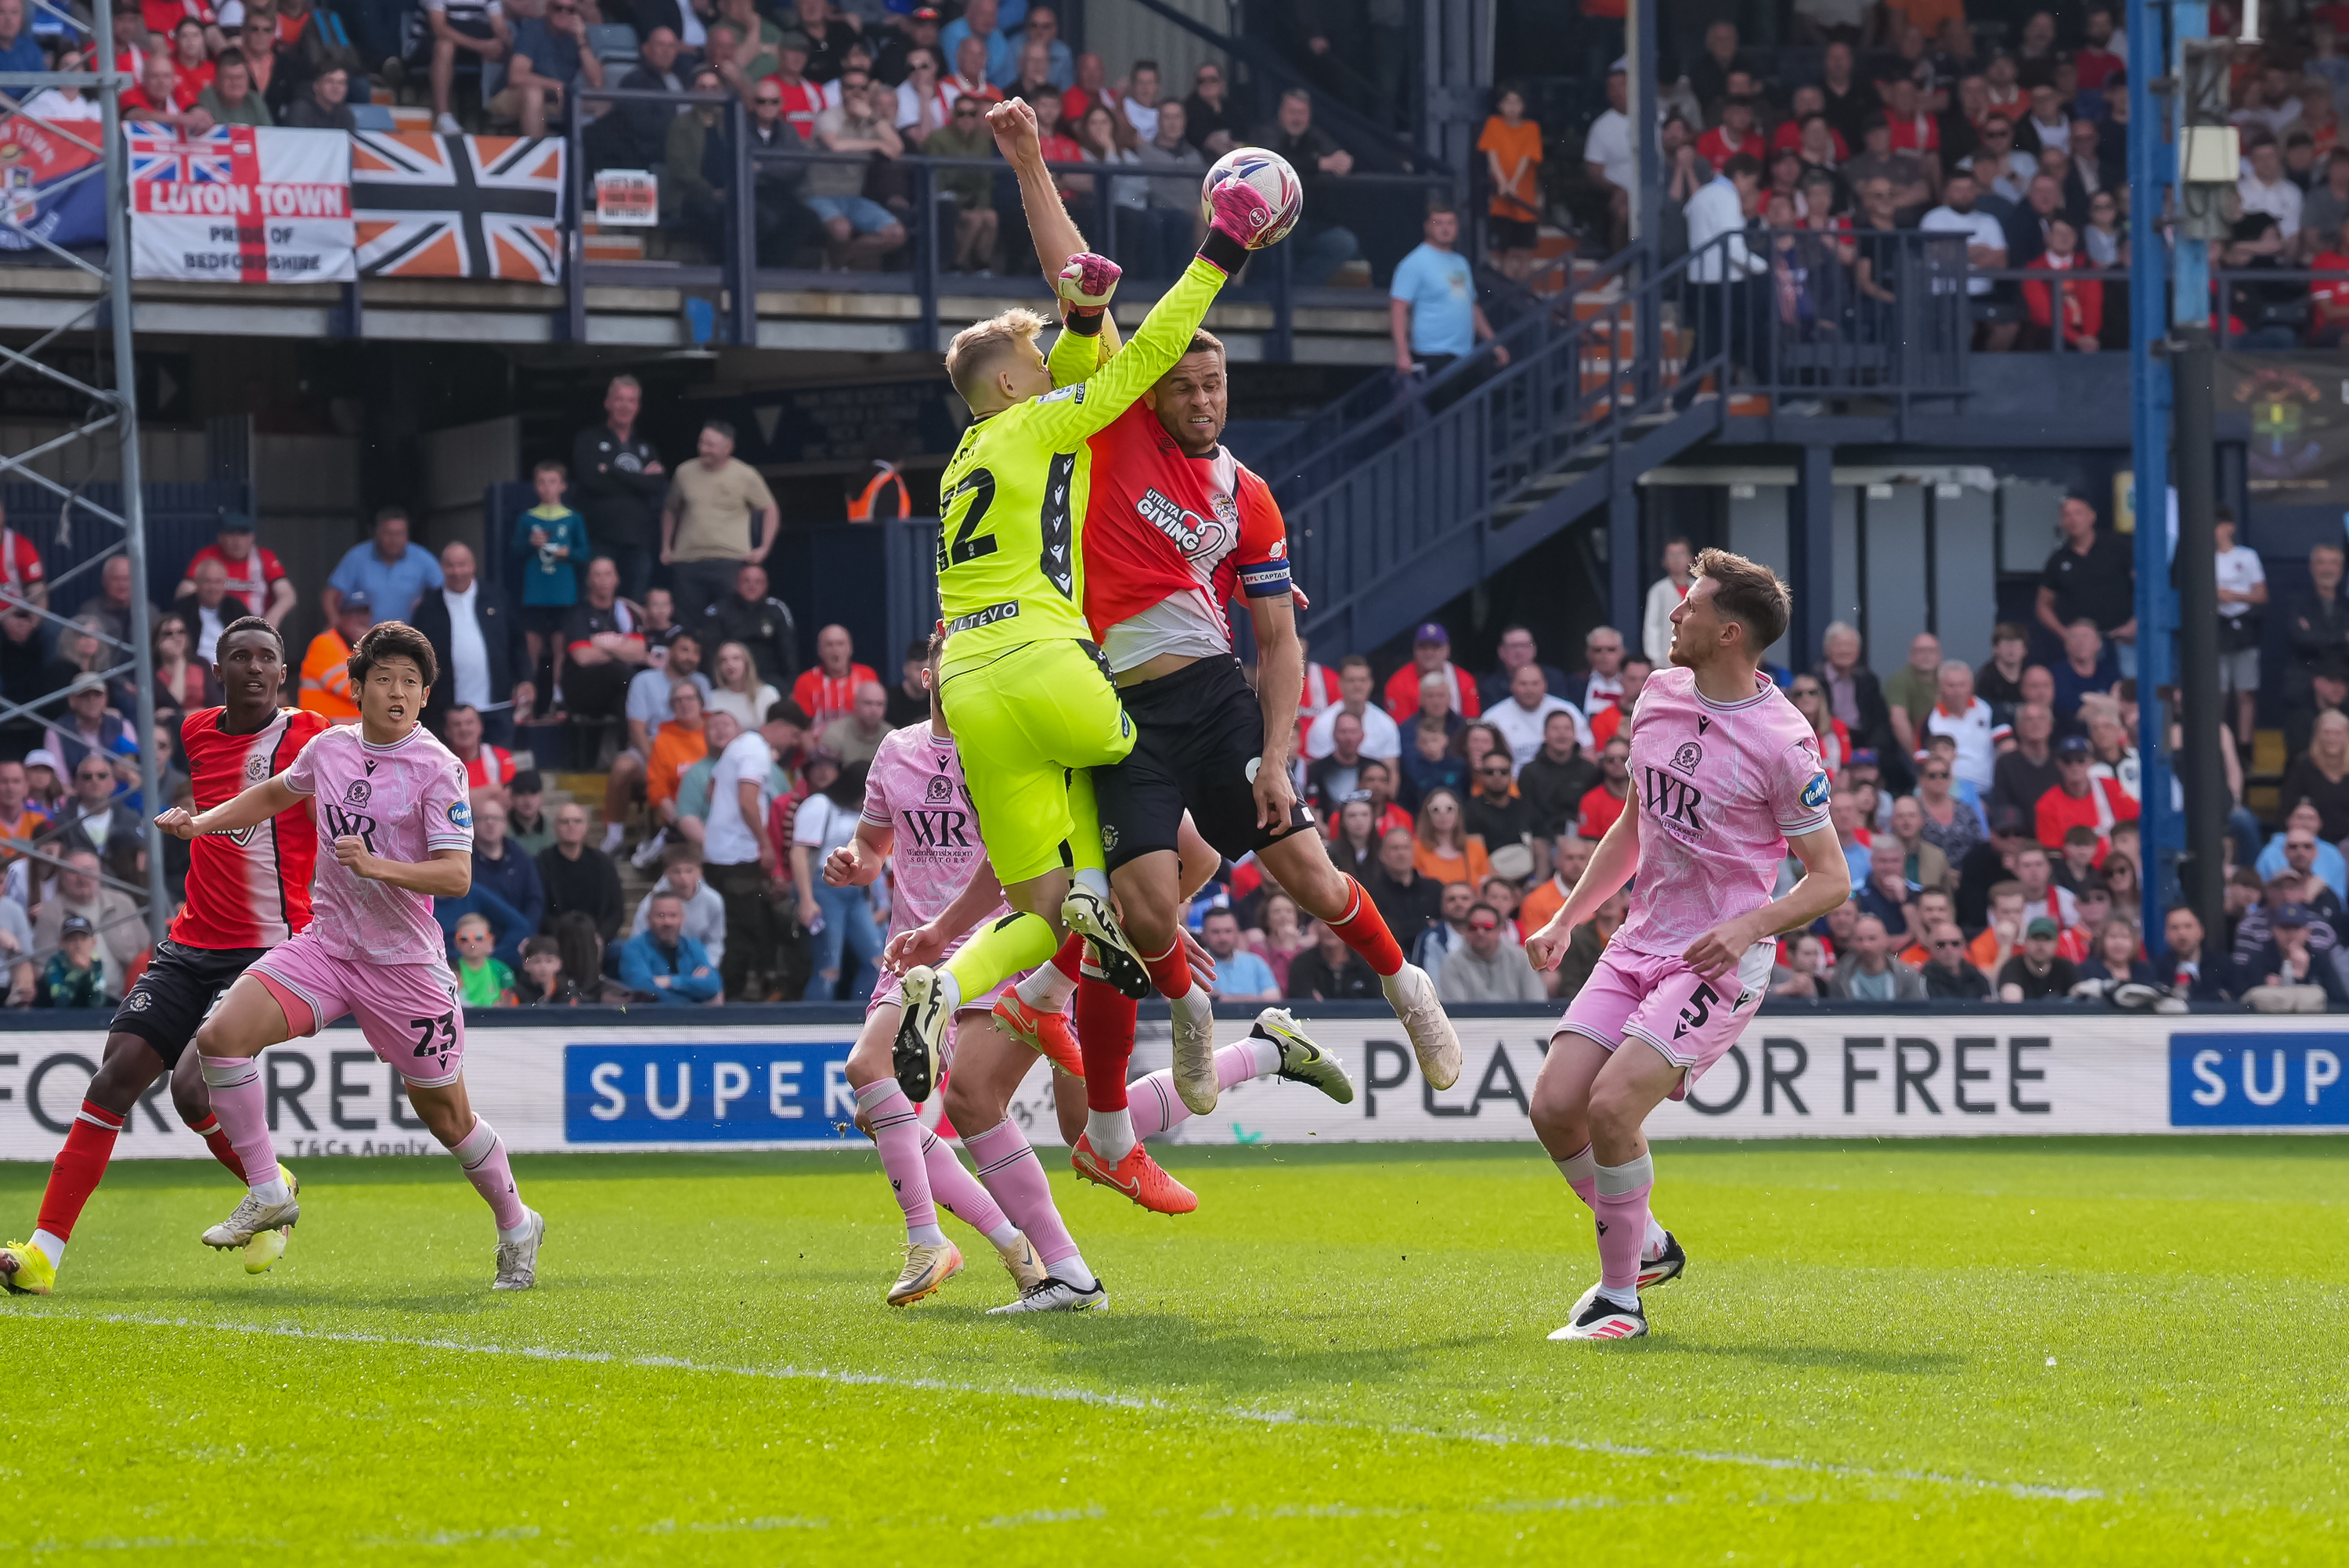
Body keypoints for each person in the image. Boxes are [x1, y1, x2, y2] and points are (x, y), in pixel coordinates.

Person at [983, 127, 1456, 1154]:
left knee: (1313, 882)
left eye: (1216, 387)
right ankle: (1192, 1013)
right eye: (1186, 387)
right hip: (1115, 712)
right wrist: (1031, 165)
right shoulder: (1115, 430)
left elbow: (1279, 639)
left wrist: (1280, 752)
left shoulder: (1247, 496)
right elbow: (1077, 282)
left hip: (1212, 699)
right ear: (1154, 391)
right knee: (1147, 915)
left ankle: (1408, 988)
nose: (1202, 399)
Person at [885, 100, 1283, 1106]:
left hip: (966, 680)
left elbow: (1077, 370)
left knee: (1042, 902)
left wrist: (1071, 319)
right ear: (1018, 383)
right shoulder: (1037, 427)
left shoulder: (965, 456)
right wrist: (1222, 250)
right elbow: (1139, 363)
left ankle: (949, 981)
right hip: (1048, 662)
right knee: (1153, 795)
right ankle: (1148, 985)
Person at [153, 622, 545, 1290]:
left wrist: (379, 866)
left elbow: (455, 877)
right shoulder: (330, 747)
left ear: (426, 696)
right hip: (329, 947)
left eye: (412, 683)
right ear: (357, 688)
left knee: (447, 1117)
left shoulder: (440, 767)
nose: (398, 692)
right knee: (219, 1039)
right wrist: (200, 822)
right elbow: (279, 792)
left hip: (405, 968)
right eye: (385, 679)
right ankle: (268, 1190)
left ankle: (516, 1221)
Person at [1522, 549, 1849, 1341]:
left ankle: (1619, 1301)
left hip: (1719, 957)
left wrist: (1748, 925)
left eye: (1690, 605)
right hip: (1639, 940)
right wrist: (1569, 914)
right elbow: (1638, 823)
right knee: (1555, 1106)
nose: (1675, 613)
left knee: (1610, 1104)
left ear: (1729, 631)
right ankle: (1650, 1244)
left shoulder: (1784, 742)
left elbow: (1831, 878)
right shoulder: (1659, 696)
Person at [0, 620, 327, 1296]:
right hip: (189, 942)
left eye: (268, 657)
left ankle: (267, 1183)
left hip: (269, 948)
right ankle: (43, 1254)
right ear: (219, 670)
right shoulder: (197, 731)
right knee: (114, 1078)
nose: (255, 668)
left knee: (189, 1089)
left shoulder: (313, 737)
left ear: (284, 672)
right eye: (241, 657)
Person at [826, 640, 1133, 1313]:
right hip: (917, 954)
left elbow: (1015, 862)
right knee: (873, 1083)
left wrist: (945, 932)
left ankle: (1254, 1055)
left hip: (1001, 945)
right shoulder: (896, 751)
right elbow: (875, 847)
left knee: (1085, 1134)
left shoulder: (1001, 745)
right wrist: (853, 861)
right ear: (929, 672)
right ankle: (973, 1243)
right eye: (950, 659)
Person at [661, 420, 781, 631]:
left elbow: (770, 509)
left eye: (711, 445)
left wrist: (763, 548)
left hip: (730, 561)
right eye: (701, 442)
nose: (703, 449)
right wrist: (666, 547)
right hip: (688, 562)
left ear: (728, 448)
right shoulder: (684, 472)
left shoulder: (745, 475)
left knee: (732, 625)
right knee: (689, 629)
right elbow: (671, 509)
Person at [416, 542, 531, 749]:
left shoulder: (497, 598)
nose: (457, 572)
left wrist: (525, 679)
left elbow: (518, 643)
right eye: (450, 566)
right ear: (441, 568)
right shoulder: (428, 608)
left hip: (497, 704)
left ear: (473, 565)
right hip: (450, 711)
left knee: (500, 766)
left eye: (462, 565)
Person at [570, 377, 666, 607]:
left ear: (638, 406)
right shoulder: (589, 439)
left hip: (638, 541)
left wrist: (611, 471)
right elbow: (591, 481)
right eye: (620, 399)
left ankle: (630, 644)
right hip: (599, 539)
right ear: (608, 403)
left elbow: (656, 486)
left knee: (633, 605)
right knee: (595, 602)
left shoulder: (646, 447)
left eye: (631, 401)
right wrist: (640, 479)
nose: (625, 406)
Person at [1389, 203, 1509, 383]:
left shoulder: (1461, 262)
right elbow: (1398, 309)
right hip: (1432, 353)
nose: (1445, 229)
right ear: (1427, 227)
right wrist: (1402, 353)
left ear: (1457, 227)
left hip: (1464, 353)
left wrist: (1494, 343)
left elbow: (1472, 306)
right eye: (1438, 223)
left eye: (1450, 223)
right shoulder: (1414, 263)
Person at [2036, 493, 2136, 679]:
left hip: (2122, 640)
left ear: (2092, 516)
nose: (2073, 519)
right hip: (2081, 648)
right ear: (2062, 522)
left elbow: (2147, 587)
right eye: (2067, 515)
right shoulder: (2058, 560)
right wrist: (2065, 635)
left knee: (2128, 692)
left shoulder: (2118, 547)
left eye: (2079, 513)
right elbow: (2043, 605)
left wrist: (2136, 624)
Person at [508, 458, 588, 681]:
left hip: (564, 594)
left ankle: (558, 699)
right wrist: (529, 543)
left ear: (563, 486)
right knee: (531, 648)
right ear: (535, 486)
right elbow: (514, 551)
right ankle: (528, 700)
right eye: (542, 482)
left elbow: (585, 554)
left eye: (553, 482)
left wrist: (568, 552)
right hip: (535, 593)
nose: (547, 487)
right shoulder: (527, 518)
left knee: (561, 649)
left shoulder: (573, 518)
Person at [323, 508, 440, 627]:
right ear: (377, 533)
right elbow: (331, 595)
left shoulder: (423, 558)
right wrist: (335, 623)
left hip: (406, 639)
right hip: (364, 639)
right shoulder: (357, 557)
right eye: (388, 533)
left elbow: (445, 591)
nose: (394, 539)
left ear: (407, 535)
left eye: (399, 533)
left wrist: (427, 604)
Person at [177, 513, 293, 629]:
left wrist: (272, 618)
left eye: (243, 535)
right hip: (218, 624)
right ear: (221, 537)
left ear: (251, 537)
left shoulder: (264, 557)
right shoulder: (207, 555)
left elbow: (287, 595)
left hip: (257, 625)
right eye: (231, 534)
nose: (237, 541)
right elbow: (185, 591)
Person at [700, 561, 799, 692]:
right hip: (731, 681)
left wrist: (791, 687)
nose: (752, 586)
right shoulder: (719, 611)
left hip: (769, 681)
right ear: (736, 584)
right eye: (746, 581)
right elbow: (711, 655)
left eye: (758, 582)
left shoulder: (776, 609)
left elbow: (789, 653)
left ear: (766, 585)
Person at [2214, 510, 2267, 746]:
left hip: (2243, 626)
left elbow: (2261, 594)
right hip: (2216, 627)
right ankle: (2217, 742)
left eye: (2217, 525)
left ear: (2230, 527)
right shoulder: (2202, 557)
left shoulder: (2246, 557)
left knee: (2246, 691)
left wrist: (2231, 595)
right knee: (2219, 692)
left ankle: (2245, 745)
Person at [536, 801, 623, 943]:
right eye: (565, 822)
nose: (571, 826)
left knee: (620, 952)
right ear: (555, 828)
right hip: (555, 940)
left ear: (585, 827)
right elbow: (539, 911)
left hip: (597, 938)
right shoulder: (541, 863)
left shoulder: (603, 863)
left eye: (577, 821)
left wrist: (600, 938)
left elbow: (616, 911)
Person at [616, 892, 722, 1004]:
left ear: (682, 918)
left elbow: (713, 985)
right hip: (652, 1018)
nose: (667, 922)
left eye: (673, 916)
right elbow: (642, 989)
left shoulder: (694, 946)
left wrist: (670, 981)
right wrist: (693, 996)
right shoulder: (634, 948)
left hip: (693, 1019)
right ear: (649, 918)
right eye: (661, 915)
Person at [1303, 656, 1402, 760]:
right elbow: (1316, 771)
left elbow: (1391, 772)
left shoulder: (1386, 724)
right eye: (1351, 680)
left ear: (1371, 684)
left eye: (1362, 680)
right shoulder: (1322, 725)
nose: (1357, 686)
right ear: (1340, 684)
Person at [790, 623, 879, 732]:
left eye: (840, 644)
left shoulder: (867, 676)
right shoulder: (805, 681)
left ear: (850, 649)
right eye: (829, 645)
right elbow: (802, 729)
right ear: (820, 651)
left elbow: (876, 718)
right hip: (820, 745)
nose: (835, 650)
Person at [299, 589, 370, 722]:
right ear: (339, 617)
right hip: (324, 735)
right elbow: (354, 690)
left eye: (364, 612)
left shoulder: (362, 649)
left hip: (351, 737)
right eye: (351, 613)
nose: (359, 619)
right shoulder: (324, 643)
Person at [1825, 912, 1928, 1000]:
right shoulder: (1841, 977)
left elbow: (1917, 1014)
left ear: (1885, 941)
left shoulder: (1907, 976)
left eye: (1872, 939)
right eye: (1860, 940)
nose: (1866, 946)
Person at [1198, 907, 1279, 1000]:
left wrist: (1220, 999)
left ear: (1237, 933)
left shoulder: (1255, 963)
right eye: (1216, 932)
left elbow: (1274, 998)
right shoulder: (1194, 964)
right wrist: (1254, 999)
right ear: (1203, 935)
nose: (1223, 938)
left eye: (1228, 931)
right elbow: (1197, 1002)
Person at [449, 912, 518, 1007]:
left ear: (491, 940)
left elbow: (511, 1004)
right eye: (464, 939)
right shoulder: (450, 970)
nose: (472, 944)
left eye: (479, 938)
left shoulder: (501, 970)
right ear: (456, 942)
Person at [1921, 921, 1994, 998]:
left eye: (1955, 943)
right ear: (1930, 947)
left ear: (1964, 946)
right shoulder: (1922, 981)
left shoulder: (1977, 977)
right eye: (1941, 944)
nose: (1949, 949)